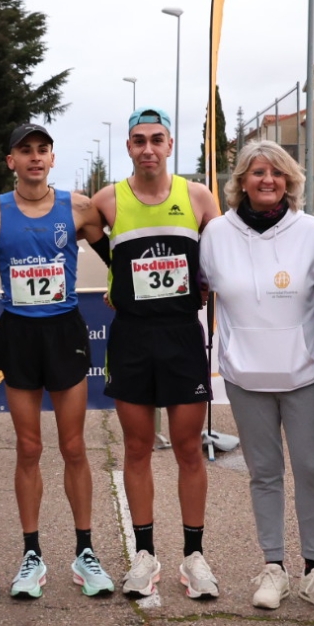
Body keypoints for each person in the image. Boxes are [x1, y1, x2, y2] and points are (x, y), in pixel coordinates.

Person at [200, 140, 314, 614]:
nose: (268, 180)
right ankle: (274, 568)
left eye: (278, 173)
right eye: (258, 172)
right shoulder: (216, 233)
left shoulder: (312, 233)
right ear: (241, 180)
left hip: (305, 375)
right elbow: (198, 293)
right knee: (264, 474)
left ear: (290, 181)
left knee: (311, 470)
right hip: (245, 377)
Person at [0, 122, 116, 599]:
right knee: (29, 447)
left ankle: (85, 552)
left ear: (53, 158)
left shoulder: (79, 208)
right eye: (25, 150)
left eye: (42, 149)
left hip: (64, 331)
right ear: (11, 161)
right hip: (18, 333)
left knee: (74, 446)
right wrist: (14, 264)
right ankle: (31, 554)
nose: (35, 157)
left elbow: (116, 257)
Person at [90, 108, 221, 600]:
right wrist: (115, 279)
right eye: (139, 140)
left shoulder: (198, 196)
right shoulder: (107, 200)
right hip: (132, 338)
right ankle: (144, 555)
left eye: (157, 139)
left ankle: (194, 556)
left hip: (182, 336)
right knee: (137, 448)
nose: (148, 148)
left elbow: (221, 255)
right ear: (128, 147)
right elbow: (88, 239)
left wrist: (207, 283)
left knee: (188, 448)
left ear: (170, 145)